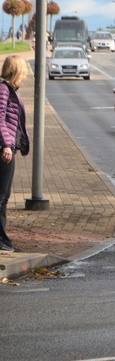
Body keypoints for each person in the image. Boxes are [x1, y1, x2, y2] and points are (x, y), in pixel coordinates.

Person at [0, 55, 31, 253]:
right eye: (23, 70)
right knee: (1, 196)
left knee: (4, 196)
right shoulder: (3, 89)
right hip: (3, 149)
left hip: (7, 147)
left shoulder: (9, 89)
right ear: (16, 71)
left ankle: (3, 238)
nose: (25, 75)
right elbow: (0, 119)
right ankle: (2, 240)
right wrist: (6, 145)